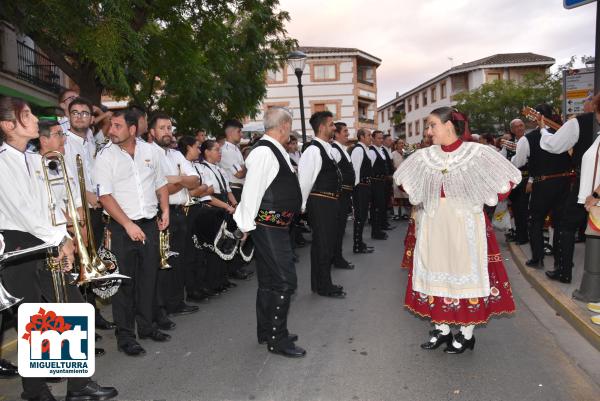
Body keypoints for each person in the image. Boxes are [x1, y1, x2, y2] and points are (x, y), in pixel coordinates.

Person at [0, 96, 117, 401]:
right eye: (27, 115)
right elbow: (24, 211)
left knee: (73, 308)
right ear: (8, 125)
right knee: (34, 319)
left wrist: (61, 240)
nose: (35, 119)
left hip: (43, 242)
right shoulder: (2, 161)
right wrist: (61, 240)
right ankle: (36, 391)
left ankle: (79, 386)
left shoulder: (31, 158)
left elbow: (45, 206)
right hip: (16, 248)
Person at [394, 106, 519, 354]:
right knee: (435, 270)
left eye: (432, 125)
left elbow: (509, 178)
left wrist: (481, 195)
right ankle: (441, 329)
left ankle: (466, 333)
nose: (429, 132)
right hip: (433, 222)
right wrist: (427, 195)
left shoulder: (477, 152)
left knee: (464, 272)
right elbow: (404, 180)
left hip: (465, 224)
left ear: (448, 126)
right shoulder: (424, 156)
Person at [93, 108, 171, 356]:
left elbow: (161, 183)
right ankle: (125, 336)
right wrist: (127, 224)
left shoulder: (150, 151)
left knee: (148, 279)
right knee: (123, 284)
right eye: (110, 126)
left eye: (117, 126)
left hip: (149, 224)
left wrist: (166, 210)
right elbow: (104, 195)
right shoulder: (105, 156)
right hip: (121, 226)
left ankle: (146, 327)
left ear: (132, 129)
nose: (111, 130)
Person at [233, 107, 305, 357]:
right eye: (290, 126)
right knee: (285, 281)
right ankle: (278, 338)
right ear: (284, 125)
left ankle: (268, 331)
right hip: (268, 227)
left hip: (274, 226)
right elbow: (251, 192)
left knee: (269, 281)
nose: (291, 131)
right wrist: (243, 226)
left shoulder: (273, 150)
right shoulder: (264, 152)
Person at [148, 113, 200, 327]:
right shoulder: (150, 153)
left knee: (178, 259)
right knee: (163, 262)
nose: (168, 132)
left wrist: (177, 180)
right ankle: (163, 307)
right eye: (162, 128)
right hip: (162, 212)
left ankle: (177, 302)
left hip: (180, 211)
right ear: (151, 131)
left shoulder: (176, 155)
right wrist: (181, 181)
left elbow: (195, 180)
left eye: (170, 128)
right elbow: (163, 188)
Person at [513, 104, 572, 270]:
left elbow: (520, 162)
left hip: (542, 184)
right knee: (560, 223)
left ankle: (537, 258)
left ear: (534, 118)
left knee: (536, 222)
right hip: (564, 183)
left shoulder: (527, 139)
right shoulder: (563, 134)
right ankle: (563, 263)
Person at [298, 111, 345, 298]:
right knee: (324, 245)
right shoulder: (313, 150)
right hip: (320, 202)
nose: (334, 128)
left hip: (328, 201)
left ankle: (320, 283)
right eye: (332, 124)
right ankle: (325, 285)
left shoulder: (326, 149)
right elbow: (304, 181)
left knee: (323, 244)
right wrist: (302, 206)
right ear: (322, 127)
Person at [196, 140, 239, 293]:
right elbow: (208, 195)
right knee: (214, 245)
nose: (219, 153)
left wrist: (235, 206)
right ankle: (213, 282)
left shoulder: (220, 169)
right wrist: (227, 206)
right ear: (206, 152)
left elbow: (227, 191)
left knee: (226, 242)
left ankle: (223, 278)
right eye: (216, 150)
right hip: (213, 208)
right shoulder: (201, 169)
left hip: (225, 207)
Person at [219, 119, 253, 280]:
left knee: (242, 228)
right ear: (231, 132)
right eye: (239, 131)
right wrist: (250, 163)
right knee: (236, 229)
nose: (241, 135)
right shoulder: (226, 151)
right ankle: (233, 267)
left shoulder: (235, 149)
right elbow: (239, 173)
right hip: (234, 190)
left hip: (240, 189)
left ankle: (238, 264)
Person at [330, 122, 355, 270]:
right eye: (345, 131)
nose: (347, 134)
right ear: (337, 134)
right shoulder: (335, 150)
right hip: (340, 195)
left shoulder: (342, 149)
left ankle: (337, 257)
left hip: (345, 194)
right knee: (338, 229)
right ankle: (336, 258)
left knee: (341, 228)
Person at [350, 128, 375, 254]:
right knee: (359, 217)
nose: (371, 137)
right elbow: (355, 170)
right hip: (360, 188)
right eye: (369, 135)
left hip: (365, 187)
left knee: (363, 216)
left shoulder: (366, 149)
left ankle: (360, 242)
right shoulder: (358, 150)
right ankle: (357, 245)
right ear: (361, 137)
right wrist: (356, 191)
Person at [506, 118, 530, 245]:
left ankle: (524, 236)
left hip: (527, 180)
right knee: (516, 209)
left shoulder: (530, 140)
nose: (520, 128)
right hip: (514, 181)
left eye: (521, 125)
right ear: (512, 130)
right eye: (516, 126)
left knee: (524, 210)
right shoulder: (508, 144)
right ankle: (519, 234)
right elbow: (502, 159)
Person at [369, 130, 390, 238]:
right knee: (376, 207)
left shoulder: (380, 149)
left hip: (381, 182)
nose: (381, 140)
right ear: (373, 139)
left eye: (382, 138)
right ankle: (375, 232)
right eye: (379, 138)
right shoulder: (372, 151)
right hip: (375, 182)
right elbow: (370, 167)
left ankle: (379, 229)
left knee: (380, 206)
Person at [391, 139, 409, 220]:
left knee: (404, 196)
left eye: (402, 143)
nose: (401, 144)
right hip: (396, 177)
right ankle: (396, 213)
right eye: (400, 143)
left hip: (405, 177)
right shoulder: (393, 154)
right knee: (396, 196)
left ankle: (404, 213)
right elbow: (392, 165)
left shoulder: (407, 153)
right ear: (396, 144)